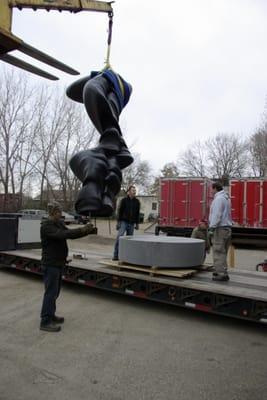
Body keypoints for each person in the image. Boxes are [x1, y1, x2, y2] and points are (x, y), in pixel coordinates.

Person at [40, 202, 95, 332]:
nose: (61, 213)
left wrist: (87, 231)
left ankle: (51, 315)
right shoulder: (46, 226)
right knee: (50, 293)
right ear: (53, 212)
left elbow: (70, 233)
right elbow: (63, 235)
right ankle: (45, 321)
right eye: (59, 211)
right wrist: (83, 229)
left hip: (58, 263)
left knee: (55, 292)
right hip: (50, 264)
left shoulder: (58, 223)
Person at [209, 182, 232, 281]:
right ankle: (220, 269)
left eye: (211, 189)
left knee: (218, 251)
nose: (211, 191)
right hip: (226, 228)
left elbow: (217, 215)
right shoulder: (226, 198)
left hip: (220, 228)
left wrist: (212, 227)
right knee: (223, 251)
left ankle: (221, 274)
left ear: (215, 189)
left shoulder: (218, 199)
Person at [112, 185, 140, 261]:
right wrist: (118, 222)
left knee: (129, 240)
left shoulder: (137, 202)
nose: (134, 191)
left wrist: (137, 224)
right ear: (129, 192)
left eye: (135, 190)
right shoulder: (124, 200)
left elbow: (137, 213)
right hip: (124, 222)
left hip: (131, 223)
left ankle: (127, 257)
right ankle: (115, 255)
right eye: (133, 190)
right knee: (119, 237)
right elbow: (120, 212)